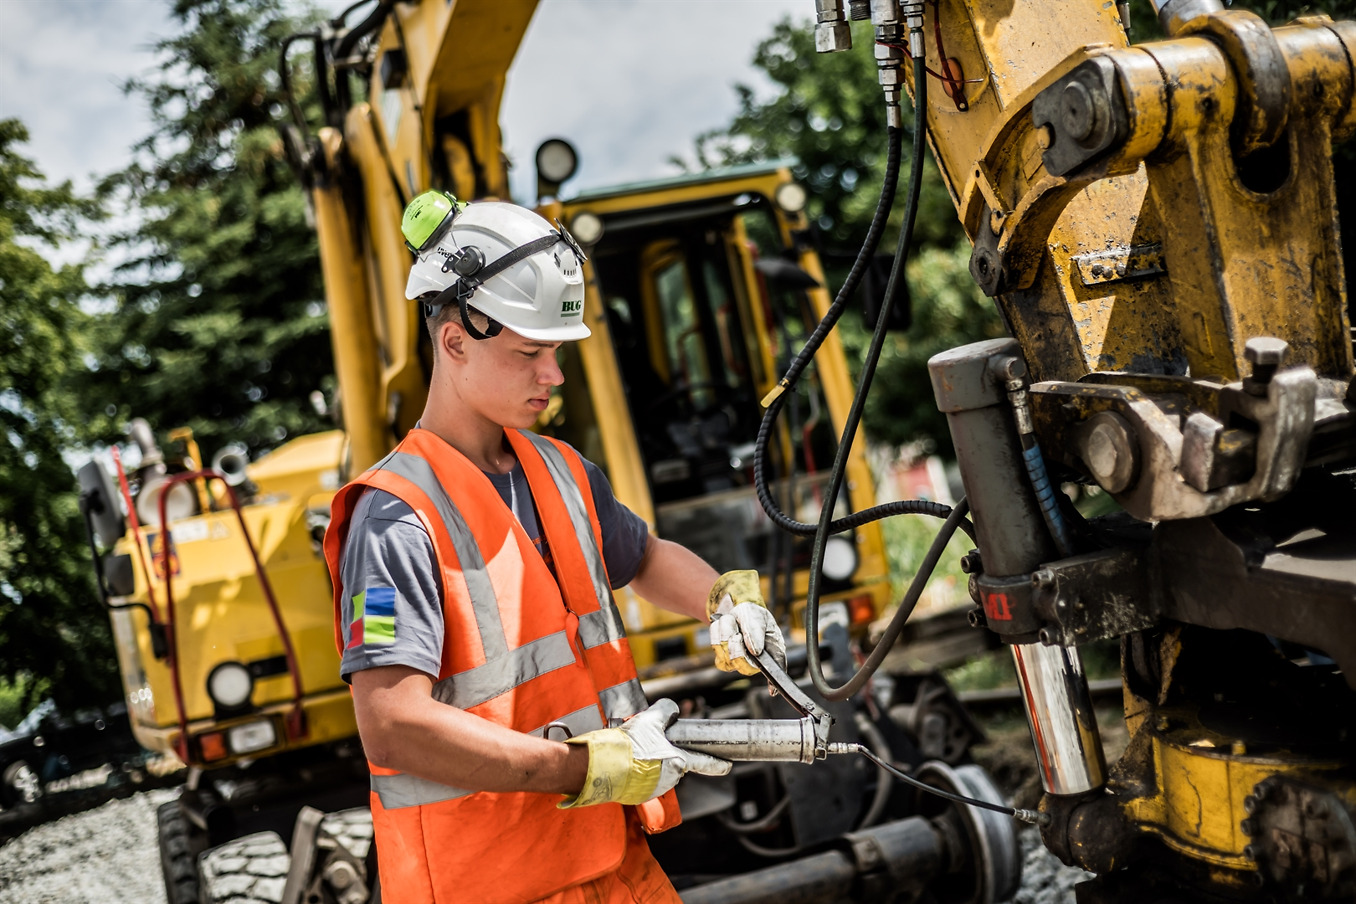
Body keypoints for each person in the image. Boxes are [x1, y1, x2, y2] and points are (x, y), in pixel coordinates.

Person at [323, 191, 788, 904]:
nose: (554, 375)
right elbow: (393, 725)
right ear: (454, 342)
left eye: (557, 351)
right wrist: (584, 767)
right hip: (494, 881)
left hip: (609, 859)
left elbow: (647, 557)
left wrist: (725, 602)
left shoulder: (562, 471)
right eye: (530, 353)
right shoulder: (393, 520)